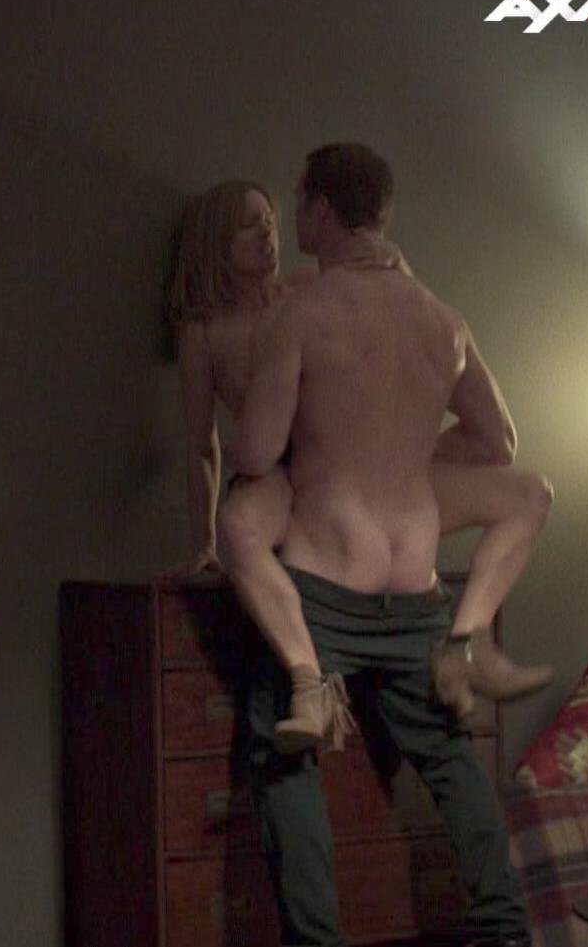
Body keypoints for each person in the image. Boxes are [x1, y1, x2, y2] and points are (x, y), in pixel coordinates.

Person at [226, 143, 533, 947]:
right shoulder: (441, 318)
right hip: (413, 586)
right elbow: (497, 440)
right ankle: (505, 930)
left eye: (299, 203)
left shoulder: (302, 314)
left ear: (322, 209)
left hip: (326, 583)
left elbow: (255, 452)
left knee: (286, 756)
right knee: (449, 757)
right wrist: (404, 457)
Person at [172, 179, 553, 752]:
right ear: (215, 242)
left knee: (526, 491)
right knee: (240, 525)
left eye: (271, 221)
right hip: (277, 473)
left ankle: (466, 646)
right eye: (249, 226)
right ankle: (310, 683)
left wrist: (396, 264)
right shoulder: (203, 333)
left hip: (347, 473)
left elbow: (403, 311)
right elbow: (202, 443)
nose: (268, 235)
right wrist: (203, 540)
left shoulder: (306, 289)